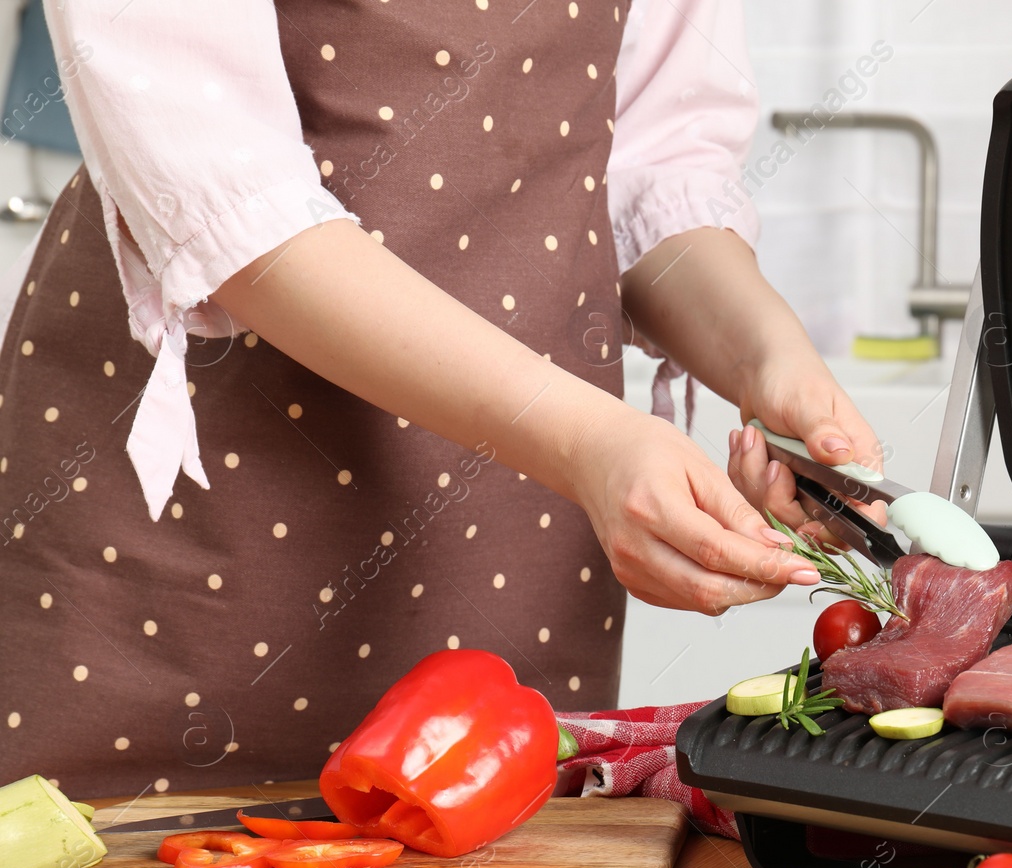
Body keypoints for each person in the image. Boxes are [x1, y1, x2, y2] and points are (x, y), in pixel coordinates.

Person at [0, 1, 880, 799]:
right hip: (198, 532)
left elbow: (653, 167)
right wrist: (586, 442)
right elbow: (225, 199)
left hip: (510, 531)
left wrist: (767, 357)